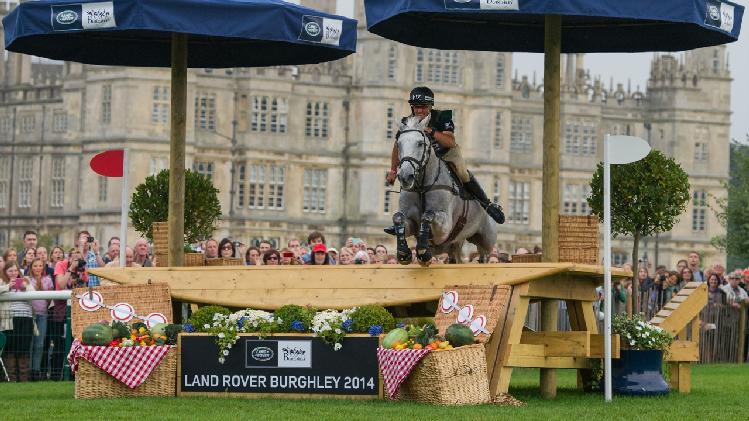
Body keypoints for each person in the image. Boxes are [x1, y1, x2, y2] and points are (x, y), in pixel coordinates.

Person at [384, 86, 504, 237]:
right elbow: (398, 145)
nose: (419, 111)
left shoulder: (443, 116)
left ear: (430, 106)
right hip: (422, 159)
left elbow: (450, 141)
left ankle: (487, 204)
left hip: (446, 153)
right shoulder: (407, 122)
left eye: (423, 107)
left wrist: (432, 132)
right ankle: (405, 219)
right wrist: (394, 170)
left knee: (462, 172)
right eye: (416, 107)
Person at [3, 261, 33, 381]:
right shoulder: (2, 282)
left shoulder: (26, 281)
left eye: (15, 270)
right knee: (10, 348)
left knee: (24, 348)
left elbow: (36, 296)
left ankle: (24, 379)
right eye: (10, 271)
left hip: (26, 318)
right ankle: (12, 379)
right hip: (9, 319)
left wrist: (26, 288)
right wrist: (8, 286)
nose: (14, 273)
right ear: (5, 272)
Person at [26, 258, 53, 381]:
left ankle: (36, 370)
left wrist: (43, 289)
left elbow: (49, 299)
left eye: (40, 265)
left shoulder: (47, 279)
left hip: (42, 315)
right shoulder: (28, 280)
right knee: (30, 343)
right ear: (31, 267)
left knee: (40, 344)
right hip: (30, 315)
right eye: (35, 265)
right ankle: (28, 370)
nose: (37, 268)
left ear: (43, 267)